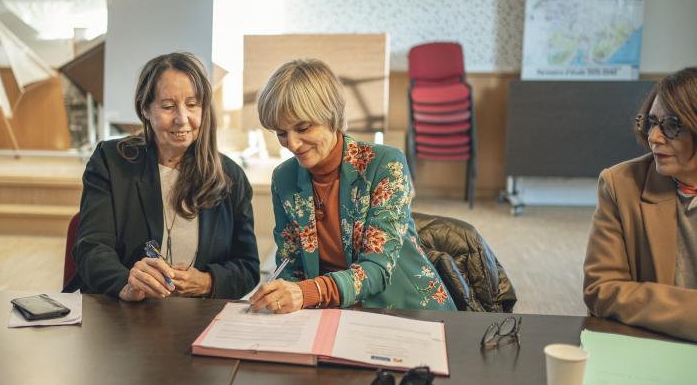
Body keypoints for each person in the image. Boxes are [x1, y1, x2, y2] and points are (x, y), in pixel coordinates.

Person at [249, 58, 456, 313]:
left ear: (332, 116)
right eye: (281, 133)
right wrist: (277, 294)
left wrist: (307, 292)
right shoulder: (284, 178)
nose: (292, 144)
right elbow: (291, 265)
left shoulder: (385, 165)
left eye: (302, 128)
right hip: (334, 313)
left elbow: (377, 269)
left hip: (407, 310)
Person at [66, 52, 260, 300]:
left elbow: (248, 266)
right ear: (145, 109)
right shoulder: (111, 161)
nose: (182, 119)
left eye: (192, 104)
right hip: (124, 317)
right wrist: (126, 283)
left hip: (197, 319)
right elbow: (92, 247)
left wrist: (209, 282)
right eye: (168, 106)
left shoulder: (231, 176)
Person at [584, 67, 697, 342]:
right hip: (653, 344)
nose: (654, 137)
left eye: (671, 125)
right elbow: (602, 289)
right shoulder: (621, 184)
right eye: (651, 122)